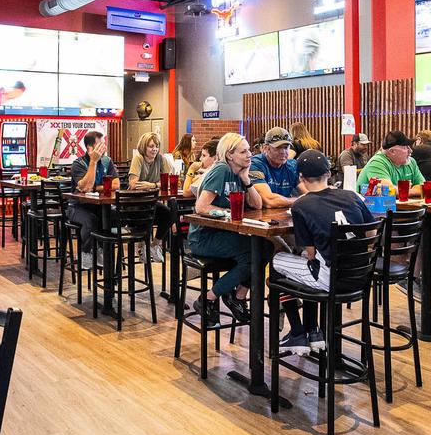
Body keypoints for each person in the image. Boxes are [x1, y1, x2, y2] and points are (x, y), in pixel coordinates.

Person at [272, 150, 376, 355]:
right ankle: (314, 332)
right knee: (305, 266)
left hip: (331, 280)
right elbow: (371, 233)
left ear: (301, 177)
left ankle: (298, 332)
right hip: (361, 277)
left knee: (277, 263)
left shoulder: (301, 205)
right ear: (329, 174)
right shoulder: (351, 196)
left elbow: (310, 254)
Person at [189, 132, 263, 325]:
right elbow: (202, 207)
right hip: (204, 237)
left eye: (249, 151)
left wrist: (247, 181)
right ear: (230, 154)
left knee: (264, 248)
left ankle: (236, 296)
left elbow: (257, 205)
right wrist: (228, 214)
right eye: (243, 151)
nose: (249, 155)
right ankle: (210, 298)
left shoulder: (239, 173)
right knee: (256, 251)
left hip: (224, 235)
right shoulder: (221, 169)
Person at [68, 130, 120, 269]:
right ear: (90, 148)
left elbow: (116, 184)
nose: (104, 147)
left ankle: (104, 252)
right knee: (92, 220)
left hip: (99, 205)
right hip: (78, 207)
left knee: (116, 217)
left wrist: (97, 188)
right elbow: (86, 188)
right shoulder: (78, 164)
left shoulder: (107, 161)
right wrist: (93, 161)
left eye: (104, 144)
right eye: (100, 145)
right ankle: (86, 252)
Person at [128, 132, 172, 263]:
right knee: (150, 215)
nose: (154, 149)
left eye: (156, 146)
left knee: (169, 214)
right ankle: (142, 246)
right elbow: (134, 184)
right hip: (135, 204)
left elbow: (169, 182)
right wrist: (157, 186)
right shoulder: (138, 158)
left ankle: (154, 245)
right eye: (151, 146)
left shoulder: (161, 159)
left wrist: (150, 185)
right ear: (144, 147)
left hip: (151, 202)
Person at [250, 126, 305, 208]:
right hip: (260, 218)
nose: (283, 152)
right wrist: (301, 200)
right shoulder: (255, 164)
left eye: (286, 147)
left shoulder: (292, 166)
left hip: (284, 216)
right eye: (278, 148)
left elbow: (309, 193)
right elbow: (269, 201)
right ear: (266, 148)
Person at [357, 130, 424, 197]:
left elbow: (423, 187)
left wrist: (403, 191)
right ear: (392, 152)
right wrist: (408, 190)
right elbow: (387, 190)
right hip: (368, 206)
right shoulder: (377, 162)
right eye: (405, 147)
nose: (410, 151)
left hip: (396, 206)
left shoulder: (411, 162)